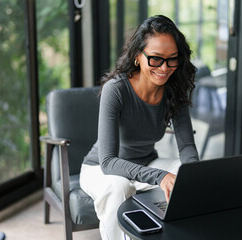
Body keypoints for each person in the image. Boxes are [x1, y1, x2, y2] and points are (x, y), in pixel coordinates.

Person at [79, 15, 199, 239]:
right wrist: (160, 177)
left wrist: (193, 174)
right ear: (137, 57)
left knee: (185, 172)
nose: (165, 68)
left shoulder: (175, 88)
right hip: (101, 169)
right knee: (118, 186)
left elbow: (187, 146)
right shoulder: (116, 89)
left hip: (146, 162)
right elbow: (108, 162)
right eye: (155, 59)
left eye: (173, 59)